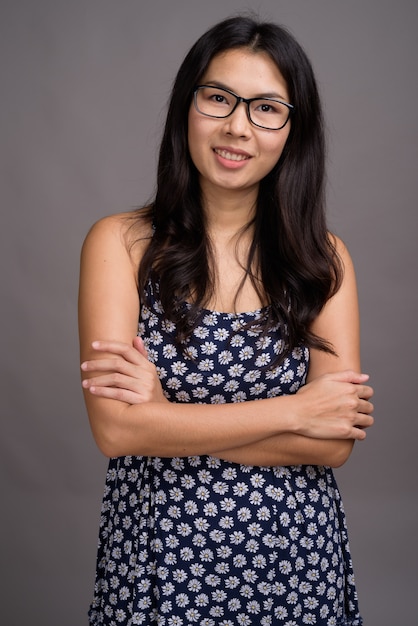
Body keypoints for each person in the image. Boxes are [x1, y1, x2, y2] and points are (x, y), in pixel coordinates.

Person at [78, 15, 374, 626]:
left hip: (298, 562)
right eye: (219, 98)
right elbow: (117, 432)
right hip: (163, 560)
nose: (238, 126)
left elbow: (338, 444)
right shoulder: (122, 244)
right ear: (187, 106)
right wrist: (296, 413)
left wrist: (167, 418)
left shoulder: (325, 258)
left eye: (266, 107)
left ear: (294, 129)